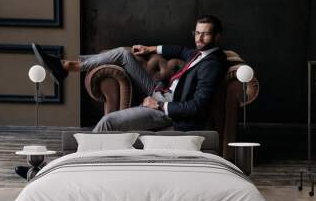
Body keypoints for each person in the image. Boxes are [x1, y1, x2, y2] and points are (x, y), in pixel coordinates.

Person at [15, 15, 228, 179]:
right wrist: (151, 48)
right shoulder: (200, 53)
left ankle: (59, 170)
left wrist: (159, 106)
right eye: (197, 33)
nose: (199, 38)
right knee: (123, 54)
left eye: (205, 34)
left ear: (217, 36)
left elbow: (197, 107)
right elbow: (180, 50)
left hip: (169, 111)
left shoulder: (213, 65)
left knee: (108, 122)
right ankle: (67, 66)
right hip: (161, 92)